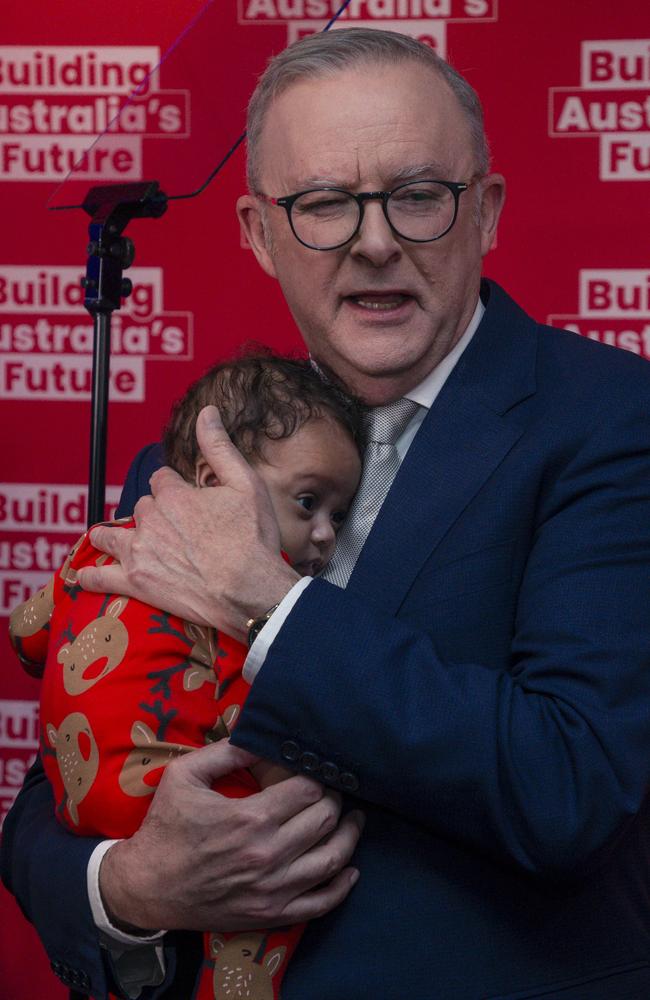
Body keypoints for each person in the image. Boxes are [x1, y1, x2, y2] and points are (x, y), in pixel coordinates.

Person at [4, 26, 650, 1000]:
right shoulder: (194, 451)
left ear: (486, 213)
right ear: (257, 233)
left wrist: (268, 604)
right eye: (321, 204)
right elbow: (56, 777)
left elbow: (565, 781)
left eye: (418, 195)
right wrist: (131, 886)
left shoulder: (609, 420)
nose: (375, 240)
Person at [8, 352, 363, 1000]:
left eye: (339, 516)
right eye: (309, 503)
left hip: (83, 793)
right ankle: (240, 983)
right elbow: (259, 715)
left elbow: (29, 632)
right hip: (168, 809)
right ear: (213, 477)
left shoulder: (107, 541)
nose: (324, 537)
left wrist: (47, 647)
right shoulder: (233, 620)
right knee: (281, 846)